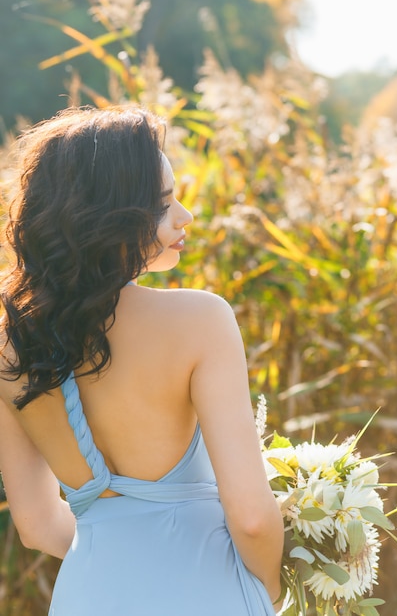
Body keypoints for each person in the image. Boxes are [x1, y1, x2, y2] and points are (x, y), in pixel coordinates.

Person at [0, 105, 284, 615]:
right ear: (106, 219)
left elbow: (36, 525)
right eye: (161, 205)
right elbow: (253, 519)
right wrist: (266, 591)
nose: (184, 218)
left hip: (86, 597)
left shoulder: (8, 347)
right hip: (210, 592)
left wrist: (121, 552)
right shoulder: (201, 320)